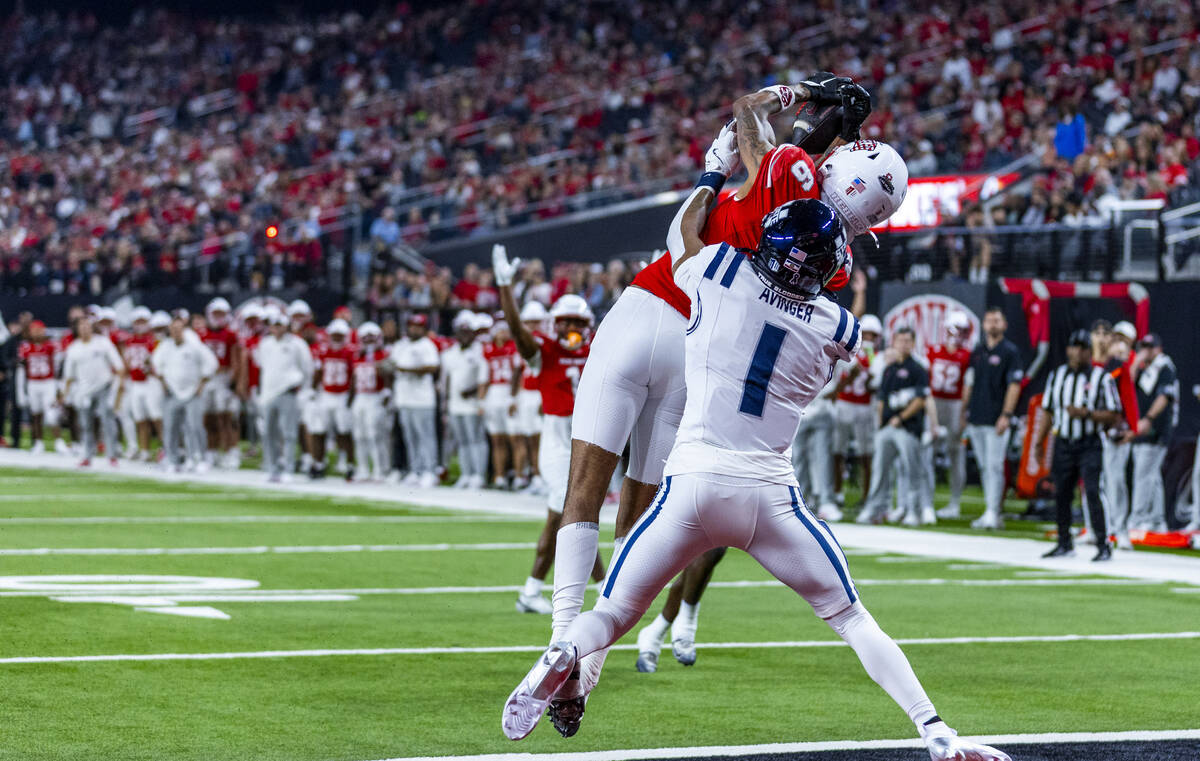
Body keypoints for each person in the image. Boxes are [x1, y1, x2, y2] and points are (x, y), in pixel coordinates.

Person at [502, 178, 1011, 761]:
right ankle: (936, 731)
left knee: (613, 612)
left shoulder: (720, 271)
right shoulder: (839, 329)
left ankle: (566, 654)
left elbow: (684, 233)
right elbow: (827, 295)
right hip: (771, 498)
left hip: (692, 485)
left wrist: (715, 176)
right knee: (851, 618)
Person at [551, 86, 904, 699]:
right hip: (704, 352)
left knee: (583, 493)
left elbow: (754, 131)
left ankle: (559, 640)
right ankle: (590, 672)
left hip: (654, 301)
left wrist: (789, 99)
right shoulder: (836, 260)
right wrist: (827, 134)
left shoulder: (788, 170)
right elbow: (804, 170)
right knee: (638, 521)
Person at [494, 246, 606, 617]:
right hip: (558, 439)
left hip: (589, 438)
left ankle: (598, 587)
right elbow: (517, 332)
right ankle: (538, 589)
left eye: (578, 323)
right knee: (565, 513)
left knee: (580, 515)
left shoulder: (597, 348)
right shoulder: (545, 350)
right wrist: (505, 288)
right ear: (555, 323)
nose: (572, 329)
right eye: (566, 322)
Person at [1036, 330, 1121, 561]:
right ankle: (1064, 542)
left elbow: (1115, 415)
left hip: (1089, 442)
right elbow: (1048, 409)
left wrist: (1088, 414)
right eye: (1074, 347)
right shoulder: (1058, 375)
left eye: (1083, 348)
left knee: (1093, 491)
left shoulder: (1102, 378)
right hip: (1064, 441)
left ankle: (1103, 544)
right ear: (1068, 349)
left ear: (1088, 352)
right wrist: (1038, 441)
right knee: (1062, 492)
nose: (1078, 352)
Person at [856, 327, 930, 525]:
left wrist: (902, 417)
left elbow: (921, 399)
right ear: (894, 343)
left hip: (907, 427)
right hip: (887, 427)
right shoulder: (889, 369)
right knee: (880, 470)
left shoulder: (918, 369)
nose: (903, 344)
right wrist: (881, 422)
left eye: (908, 340)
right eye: (900, 340)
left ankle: (914, 511)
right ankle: (875, 509)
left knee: (911, 470)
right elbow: (882, 398)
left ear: (913, 344)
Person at [961, 307, 1024, 530]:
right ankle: (991, 510)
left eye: (997, 320)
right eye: (989, 320)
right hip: (977, 416)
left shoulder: (1010, 352)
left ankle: (993, 511)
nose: (993, 324)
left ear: (1004, 324)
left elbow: (1014, 386)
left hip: (996, 417)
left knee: (995, 466)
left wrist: (1006, 415)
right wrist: (964, 411)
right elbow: (969, 382)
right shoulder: (978, 351)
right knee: (984, 466)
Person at [152, 316, 218, 472]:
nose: (176, 332)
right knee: (170, 427)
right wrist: (162, 382)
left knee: (195, 426)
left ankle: (199, 458)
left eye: (179, 329)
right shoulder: (165, 347)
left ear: (184, 330)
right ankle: (172, 459)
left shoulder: (195, 346)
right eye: (173, 329)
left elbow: (212, 364)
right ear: (169, 331)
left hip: (192, 392)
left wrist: (201, 384)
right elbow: (155, 365)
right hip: (172, 392)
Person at [255, 309, 314, 482]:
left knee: (289, 433)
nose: (277, 328)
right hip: (268, 393)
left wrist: (304, 389)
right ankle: (272, 467)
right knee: (269, 433)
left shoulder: (297, 344)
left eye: (280, 325)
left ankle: (288, 468)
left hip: (288, 392)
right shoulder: (265, 344)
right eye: (274, 325)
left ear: (286, 326)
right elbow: (263, 367)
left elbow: (307, 368)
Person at [1128, 334, 1178, 532]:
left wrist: (1148, 419)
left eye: (1150, 347)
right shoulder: (1143, 369)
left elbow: (1164, 397)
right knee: (1152, 476)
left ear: (1159, 348)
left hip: (1156, 430)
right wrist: (1135, 363)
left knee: (1143, 475)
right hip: (1141, 428)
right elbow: (1128, 386)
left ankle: (1137, 519)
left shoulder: (1165, 367)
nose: (1146, 350)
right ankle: (1157, 520)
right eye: (1144, 346)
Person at [926, 311, 973, 520]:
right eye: (957, 329)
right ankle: (925, 502)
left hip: (955, 405)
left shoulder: (967, 356)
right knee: (928, 452)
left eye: (963, 330)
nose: (959, 334)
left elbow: (967, 387)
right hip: (935, 404)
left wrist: (964, 412)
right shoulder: (933, 351)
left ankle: (955, 502)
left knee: (957, 454)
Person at [62, 316, 124, 468]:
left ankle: (112, 455)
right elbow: (69, 376)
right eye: (81, 326)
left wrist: (118, 387)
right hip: (84, 390)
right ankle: (87, 456)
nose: (84, 329)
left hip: (104, 387)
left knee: (107, 420)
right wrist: (65, 395)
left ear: (91, 327)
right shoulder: (73, 348)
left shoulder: (102, 343)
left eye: (86, 325)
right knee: (86, 424)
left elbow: (119, 366)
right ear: (77, 329)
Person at [833, 314, 881, 509]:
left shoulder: (878, 357)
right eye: (866, 334)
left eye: (872, 335)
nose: (868, 338)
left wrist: (869, 373)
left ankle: (867, 493)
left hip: (864, 407)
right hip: (844, 403)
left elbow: (873, 386)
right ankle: (837, 492)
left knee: (866, 454)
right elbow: (839, 380)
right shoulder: (847, 352)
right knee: (837, 452)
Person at [390, 314, 440, 488]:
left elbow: (432, 367)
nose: (414, 329)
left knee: (425, 436)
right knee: (409, 437)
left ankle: (429, 470)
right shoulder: (401, 345)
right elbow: (392, 364)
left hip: (422, 399)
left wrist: (406, 369)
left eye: (418, 327)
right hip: (404, 397)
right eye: (412, 326)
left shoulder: (427, 345)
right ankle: (415, 469)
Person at [1100, 321, 1138, 549]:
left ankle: (1120, 528)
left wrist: (1132, 427)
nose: (1118, 342)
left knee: (1115, 480)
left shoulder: (1125, 362)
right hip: (1095, 428)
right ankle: (1100, 527)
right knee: (1095, 481)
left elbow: (1127, 392)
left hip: (1116, 428)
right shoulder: (1098, 360)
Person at [440, 312, 488, 489]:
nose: (464, 335)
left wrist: (476, 393)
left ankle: (479, 474)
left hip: (473, 403)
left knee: (476, 439)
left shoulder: (479, 351)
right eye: (461, 332)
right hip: (455, 404)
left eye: (467, 332)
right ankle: (467, 474)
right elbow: (447, 380)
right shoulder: (450, 354)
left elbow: (484, 377)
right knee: (462, 441)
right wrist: (446, 403)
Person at [307, 319, 357, 480]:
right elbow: (319, 372)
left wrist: (351, 397)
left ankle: (350, 464)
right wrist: (313, 391)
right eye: (334, 335)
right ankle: (318, 463)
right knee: (318, 430)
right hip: (326, 394)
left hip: (342, 395)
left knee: (344, 432)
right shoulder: (323, 350)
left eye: (339, 335)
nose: (336, 338)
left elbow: (354, 376)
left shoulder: (350, 352)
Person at [197, 297, 242, 469]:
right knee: (208, 418)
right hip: (207, 379)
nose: (218, 317)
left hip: (224, 377)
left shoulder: (230, 334)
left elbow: (237, 358)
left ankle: (231, 450)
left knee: (226, 417)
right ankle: (212, 451)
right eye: (216, 313)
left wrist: (234, 380)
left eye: (221, 313)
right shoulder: (201, 334)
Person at [349, 322, 393, 482]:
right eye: (365, 338)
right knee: (359, 435)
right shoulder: (357, 355)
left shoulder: (384, 354)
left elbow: (389, 376)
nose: (368, 341)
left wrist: (387, 393)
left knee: (375, 434)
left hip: (376, 396)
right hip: (361, 396)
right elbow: (353, 379)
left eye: (371, 337)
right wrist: (351, 399)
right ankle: (363, 468)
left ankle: (379, 468)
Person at [512, 301, 547, 491]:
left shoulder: (544, 341)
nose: (533, 326)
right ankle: (533, 476)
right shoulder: (523, 343)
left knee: (539, 439)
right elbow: (519, 372)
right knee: (527, 438)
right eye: (529, 322)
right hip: (526, 394)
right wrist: (515, 398)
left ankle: (541, 477)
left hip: (539, 393)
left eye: (536, 322)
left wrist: (544, 396)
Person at [482, 318, 520, 488]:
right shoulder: (487, 350)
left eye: (505, 330)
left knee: (514, 438)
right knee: (497, 439)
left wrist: (515, 397)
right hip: (493, 395)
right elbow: (484, 378)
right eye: (500, 330)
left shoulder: (514, 347)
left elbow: (519, 373)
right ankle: (499, 476)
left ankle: (519, 475)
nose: (503, 333)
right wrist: (481, 401)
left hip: (508, 394)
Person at [121, 307, 163, 462]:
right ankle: (144, 450)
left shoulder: (154, 339)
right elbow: (127, 361)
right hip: (135, 382)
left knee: (156, 416)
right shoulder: (130, 340)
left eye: (143, 321)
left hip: (151, 382)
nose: (140, 324)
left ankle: (163, 447)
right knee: (140, 418)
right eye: (137, 321)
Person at [18, 320, 65, 454]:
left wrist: (58, 386)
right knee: (36, 414)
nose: (37, 332)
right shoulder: (25, 347)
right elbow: (22, 369)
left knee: (51, 414)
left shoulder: (51, 346)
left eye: (39, 330)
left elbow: (57, 367)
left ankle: (59, 442)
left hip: (48, 382)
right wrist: (22, 390)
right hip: (33, 383)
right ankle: (38, 443)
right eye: (35, 330)